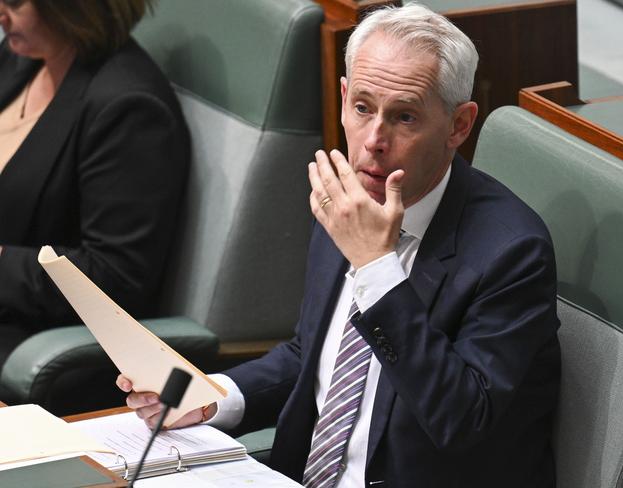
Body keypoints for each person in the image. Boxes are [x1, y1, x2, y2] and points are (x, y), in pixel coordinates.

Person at [119, 5, 560, 487]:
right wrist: (211, 396)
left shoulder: (512, 252)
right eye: (363, 108)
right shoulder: (349, 197)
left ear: (459, 125)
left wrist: (376, 266)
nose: (373, 140)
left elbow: (461, 418)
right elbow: (312, 355)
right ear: (344, 96)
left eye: (405, 117)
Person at [0, 0, 189, 366]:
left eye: (15, 3)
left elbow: (114, 278)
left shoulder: (130, 107)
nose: (0, 14)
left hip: (27, 330)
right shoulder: (23, 56)